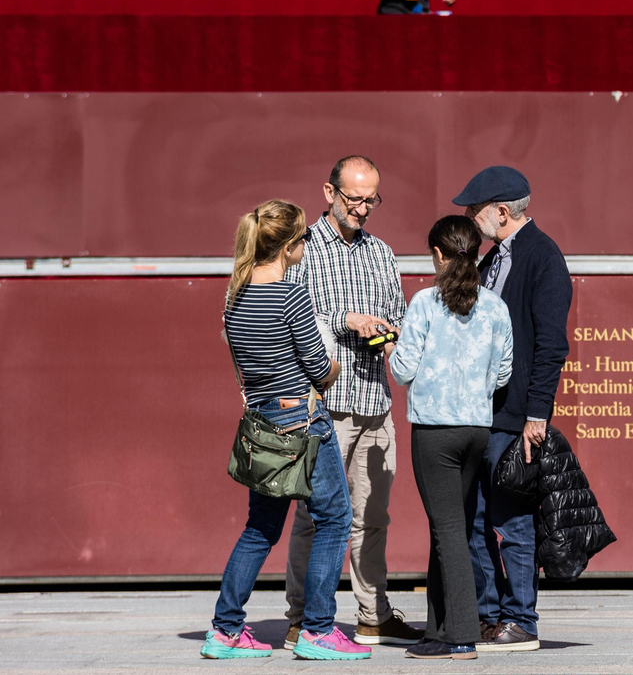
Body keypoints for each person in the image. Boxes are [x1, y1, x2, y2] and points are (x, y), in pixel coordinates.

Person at [204, 200, 370, 661]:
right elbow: (319, 368)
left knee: (259, 528)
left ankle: (225, 631)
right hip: (305, 421)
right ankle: (318, 631)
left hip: (262, 423)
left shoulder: (234, 295)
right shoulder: (291, 294)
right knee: (335, 519)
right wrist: (338, 366)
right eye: (302, 239)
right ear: (289, 246)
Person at [282, 156, 422, 650]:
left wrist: (387, 331)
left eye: (371, 199)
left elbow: (400, 315)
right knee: (315, 517)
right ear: (329, 192)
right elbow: (293, 314)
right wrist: (348, 319)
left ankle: (372, 614)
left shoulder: (381, 252)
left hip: (373, 399)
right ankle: (301, 616)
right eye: (354, 198)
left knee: (373, 517)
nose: (363, 208)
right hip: (323, 403)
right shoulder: (302, 250)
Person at [455, 166, 572, 653]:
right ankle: (488, 616)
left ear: (501, 212)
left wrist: (536, 416)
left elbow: (551, 345)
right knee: (479, 519)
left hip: (515, 416)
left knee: (512, 523)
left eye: (473, 210)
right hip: (483, 415)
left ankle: (520, 619)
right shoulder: (490, 262)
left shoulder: (542, 258)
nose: (467, 217)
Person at [389, 216, 514, 660]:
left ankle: (460, 634)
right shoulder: (495, 306)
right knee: (450, 527)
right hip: (477, 428)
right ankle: (439, 627)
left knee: (447, 531)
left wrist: (392, 347)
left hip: (435, 430)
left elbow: (403, 370)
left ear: (438, 255)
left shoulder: (424, 302)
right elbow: (503, 374)